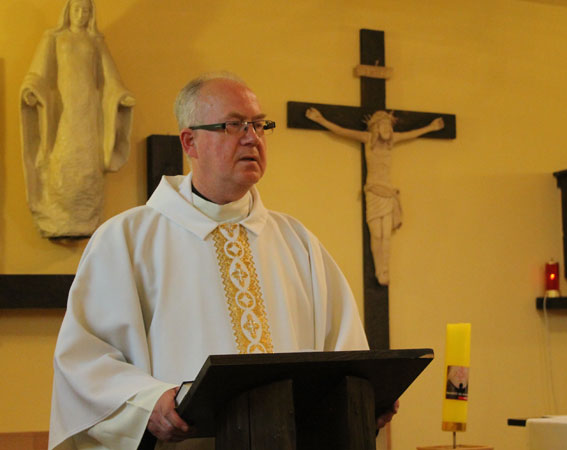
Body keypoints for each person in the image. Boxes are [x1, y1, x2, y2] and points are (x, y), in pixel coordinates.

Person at [48, 72, 396, 450]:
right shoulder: (127, 240)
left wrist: (366, 397)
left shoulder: (299, 243)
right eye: (234, 125)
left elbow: (345, 350)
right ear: (190, 142)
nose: (252, 137)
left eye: (259, 125)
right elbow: (86, 360)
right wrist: (148, 403)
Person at [20, 0, 134, 238]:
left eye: (86, 10)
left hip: (89, 111)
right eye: (77, 9)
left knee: (88, 161)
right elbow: (38, 72)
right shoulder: (53, 38)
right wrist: (32, 89)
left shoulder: (95, 42)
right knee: (61, 156)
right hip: (64, 109)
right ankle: (58, 213)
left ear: (91, 15)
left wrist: (120, 96)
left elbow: (110, 77)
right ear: (68, 11)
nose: (81, 14)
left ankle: (86, 216)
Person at [305, 108, 444, 285]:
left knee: (386, 235)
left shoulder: (393, 140)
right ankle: (379, 270)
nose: (387, 129)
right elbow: (342, 131)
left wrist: (431, 127)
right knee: (377, 234)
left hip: (388, 193)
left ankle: (384, 271)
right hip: (373, 193)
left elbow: (411, 134)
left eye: (389, 126)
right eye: (383, 126)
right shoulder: (367, 139)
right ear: (375, 128)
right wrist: (320, 119)